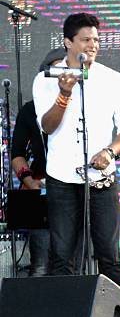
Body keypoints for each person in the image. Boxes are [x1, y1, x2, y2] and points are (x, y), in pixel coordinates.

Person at [32, 13, 120, 288]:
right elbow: (47, 127)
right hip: (62, 178)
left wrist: (110, 152)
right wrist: (64, 94)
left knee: (109, 254)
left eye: (97, 40)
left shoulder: (113, 79)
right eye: (86, 39)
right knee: (62, 254)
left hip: (101, 179)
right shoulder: (46, 79)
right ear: (68, 42)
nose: (93, 45)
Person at [10, 48, 65, 276]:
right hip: (39, 186)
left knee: (71, 264)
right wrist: (30, 182)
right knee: (40, 265)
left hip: (70, 187)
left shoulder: (80, 108)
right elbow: (17, 154)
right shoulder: (29, 110)